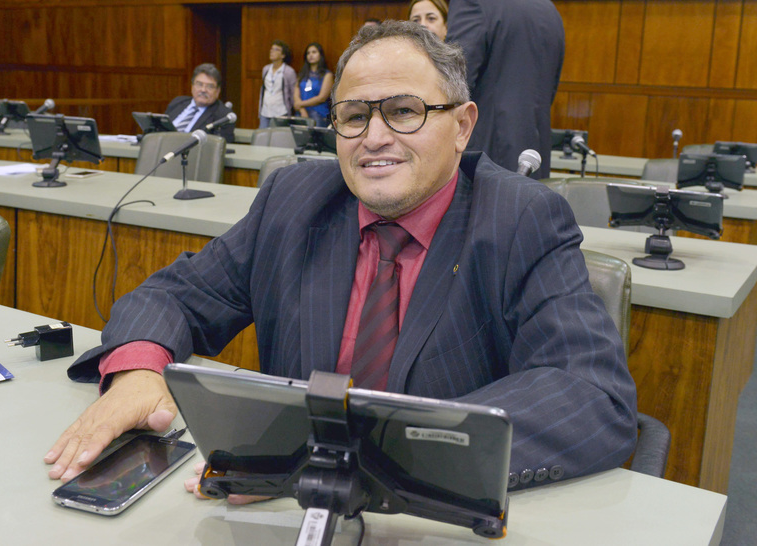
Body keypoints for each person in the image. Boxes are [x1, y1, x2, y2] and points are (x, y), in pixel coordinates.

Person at [46, 21, 637, 497]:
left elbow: (591, 394)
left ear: (462, 126)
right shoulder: (294, 201)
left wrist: (357, 459)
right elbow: (172, 296)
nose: (374, 137)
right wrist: (139, 373)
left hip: (435, 518)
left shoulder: (520, 218)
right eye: (354, 116)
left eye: (403, 111)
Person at [446, 0, 564, 178]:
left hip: (485, 159)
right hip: (534, 157)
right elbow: (550, 88)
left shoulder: (473, 3)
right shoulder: (549, 10)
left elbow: (453, 83)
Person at [164, 63, 235, 143]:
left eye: (210, 86)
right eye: (199, 84)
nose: (203, 90)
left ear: (218, 91)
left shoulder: (223, 116)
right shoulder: (177, 102)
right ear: (192, 86)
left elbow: (220, 146)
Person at [293, 42, 334, 127]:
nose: (311, 55)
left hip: (318, 115)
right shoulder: (302, 74)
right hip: (301, 113)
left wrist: (300, 104)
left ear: (320, 55)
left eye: (314, 52)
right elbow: (296, 95)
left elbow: (322, 98)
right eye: (308, 53)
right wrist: (302, 109)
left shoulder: (327, 75)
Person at [258, 40, 297, 128]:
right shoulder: (266, 69)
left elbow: (293, 93)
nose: (272, 51)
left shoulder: (289, 71)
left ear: (283, 55)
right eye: (271, 49)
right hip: (265, 111)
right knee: (262, 135)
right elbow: (263, 90)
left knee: (278, 135)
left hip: (281, 111)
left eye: (276, 49)